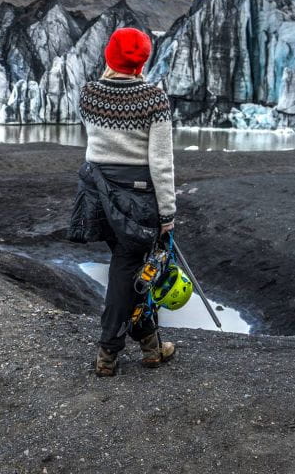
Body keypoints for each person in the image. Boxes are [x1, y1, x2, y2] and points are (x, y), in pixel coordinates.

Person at [67, 27, 177, 377]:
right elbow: (161, 162)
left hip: (97, 193)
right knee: (129, 266)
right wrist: (168, 212)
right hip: (137, 197)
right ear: (143, 60)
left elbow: (99, 140)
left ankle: (151, 346)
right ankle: (108, 351)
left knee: (133, 265)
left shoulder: (88, 94)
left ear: (110, 55)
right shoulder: (154, 99)